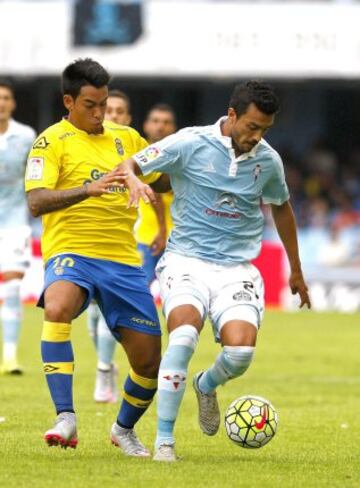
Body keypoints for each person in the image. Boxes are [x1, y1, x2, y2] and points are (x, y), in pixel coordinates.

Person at [117, 80, 312, 462]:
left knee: (240, 352)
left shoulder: (267, 160)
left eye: (265, 130)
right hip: (185, 261)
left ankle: (206, 385)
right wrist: (135, 179)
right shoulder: (190, 142)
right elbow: (130, 162)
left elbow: (282, 207)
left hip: (236, 269)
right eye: (252, 127)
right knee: (184, 336)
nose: (257, 137)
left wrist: (296, 270)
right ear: (233, 114)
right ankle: (164, 442)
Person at [25, 58, 167, 457]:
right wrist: (88, 190)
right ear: (68, 101)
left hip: (123, 262)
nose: (100, 113)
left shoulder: (127, 138)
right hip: (73, 253)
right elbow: (36, 201)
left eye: (104, 103)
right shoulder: (50, 142)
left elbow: (163, 178)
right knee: (57, 306)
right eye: (91, 104)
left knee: (149, 362)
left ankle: (124, 429)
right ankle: (65, 416)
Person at [87, 89, 133, 404]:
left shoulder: (133, 145)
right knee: (92, 314)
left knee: (107, 308)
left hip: (126, 240)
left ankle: (104, 370)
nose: (113, 115)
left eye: (119, 111)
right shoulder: (85, 145)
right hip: (88, 237)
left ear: (128, 118)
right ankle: (105, 363)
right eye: (109, 110)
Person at [0, 79, 36, 374]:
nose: (1, 102)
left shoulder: (26, 136)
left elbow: (36, 178)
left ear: (13, 103)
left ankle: (9, 356)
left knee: (12, 287)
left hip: (13, 221)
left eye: (6, 97)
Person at [136, 104, 176, 289]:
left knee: (179, 295)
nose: (160, 127)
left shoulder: (180, 157)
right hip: (145, 236)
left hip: (178, 239)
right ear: (146, 125)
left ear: (173, 128)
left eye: (166, 122)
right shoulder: (136, 156)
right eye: (156, 121)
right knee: (139, 290)